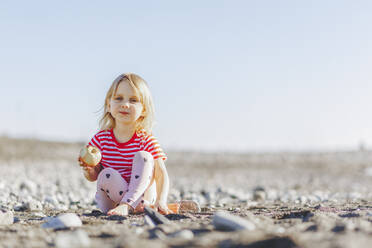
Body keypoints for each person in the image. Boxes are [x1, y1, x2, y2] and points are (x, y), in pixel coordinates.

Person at [78, 73, 172, 216]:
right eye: (118, 98)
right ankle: (135, 207)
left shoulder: (145, 139)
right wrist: (88, 169)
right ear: (109, 105)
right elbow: (94, 177)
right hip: (112, 202)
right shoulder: (101, 139)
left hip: (142, 196)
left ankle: (129, 205)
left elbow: (161, 173)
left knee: (144, 157)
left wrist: (162, 200)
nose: (125, 104)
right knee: (106, 174)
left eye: (133, 100)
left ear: (144, 110)